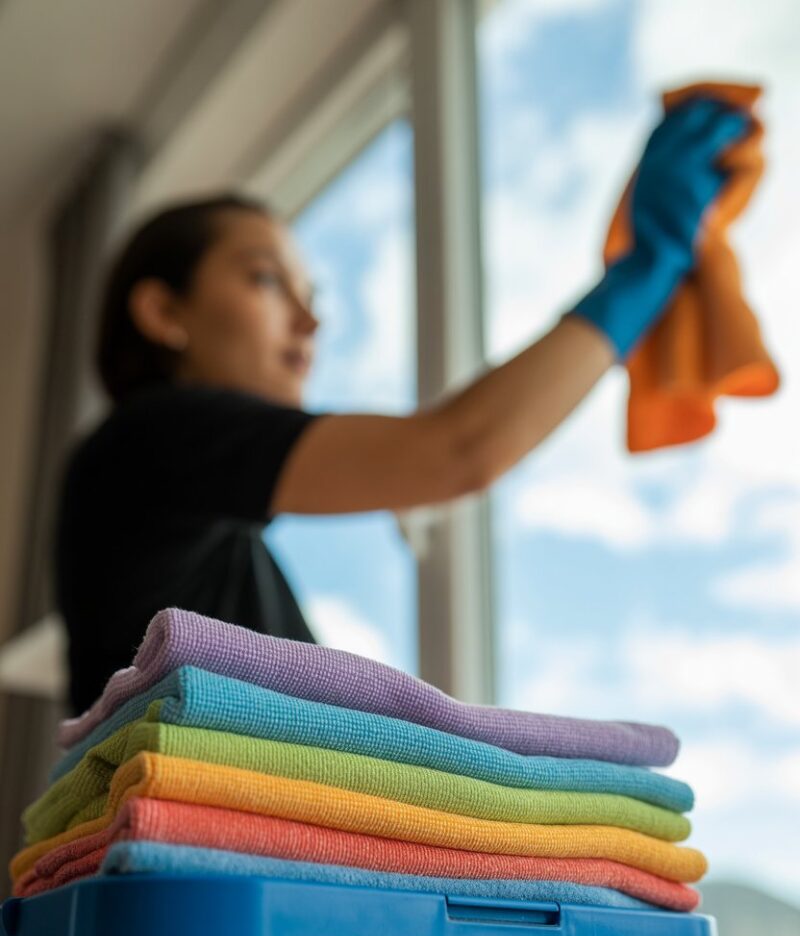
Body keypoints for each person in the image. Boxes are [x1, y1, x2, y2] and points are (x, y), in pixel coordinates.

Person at [55, 97, 749, 716]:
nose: (309, 322)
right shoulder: (150, 438)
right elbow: (458, 448)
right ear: (163, 311)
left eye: (313, 296)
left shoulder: (219, 549)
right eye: (267, 280)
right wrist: (646, 268)